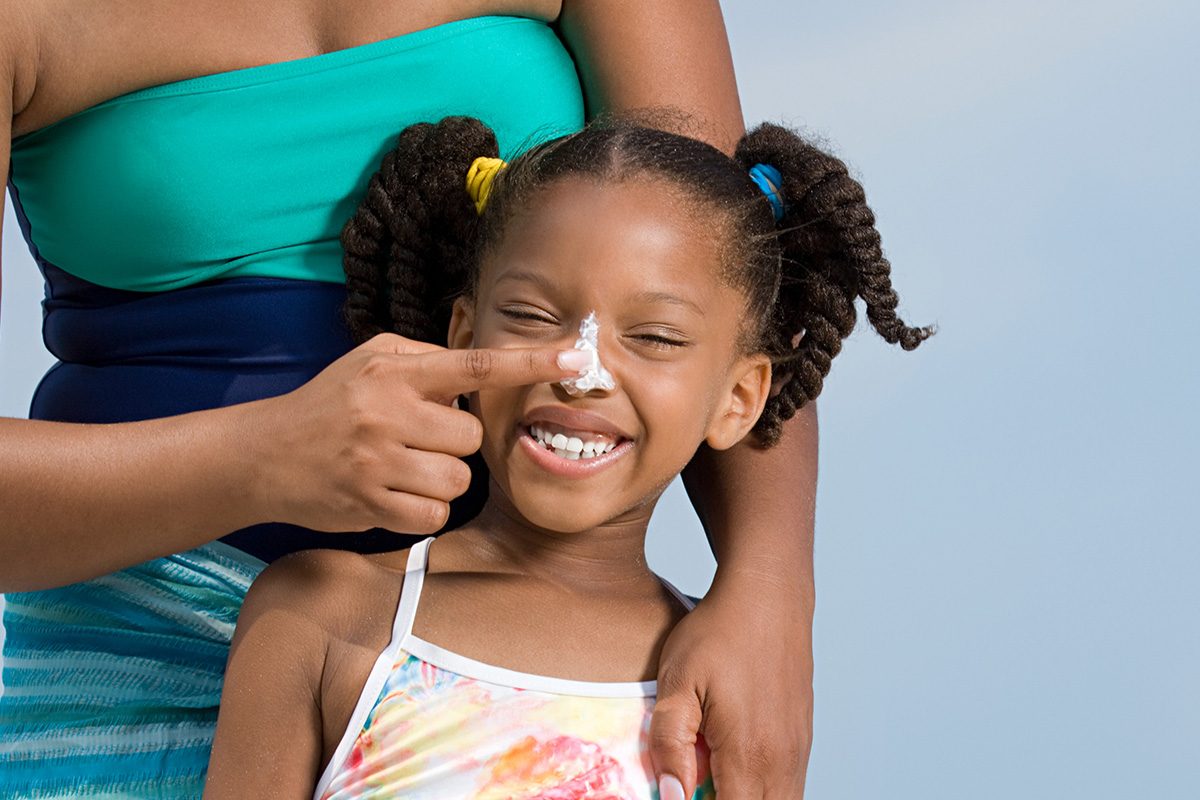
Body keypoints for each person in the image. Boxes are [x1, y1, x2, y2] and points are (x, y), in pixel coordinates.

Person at [1, 3, 820, 798]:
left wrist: (768, 594)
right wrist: (259, 460)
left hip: (497, 683)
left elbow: (726, 277)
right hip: (119, 684)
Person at [202, 115, 933, 800]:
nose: (580, 369)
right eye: (529, 316)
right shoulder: (327, 618)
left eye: (654, 337)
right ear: (462, 335)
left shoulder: (724, 689)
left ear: (738, 399)